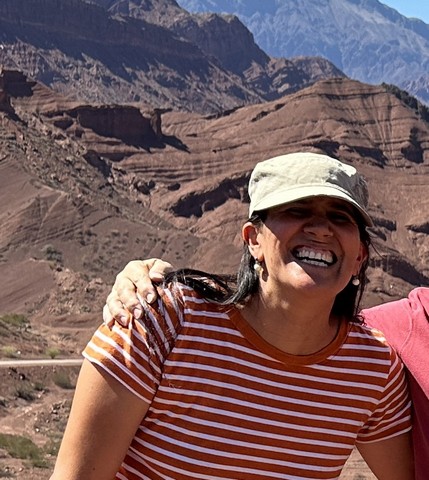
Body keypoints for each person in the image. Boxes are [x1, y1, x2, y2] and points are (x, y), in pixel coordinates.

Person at [51, 152, 414, 480]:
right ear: (253, 239)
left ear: (359, 257)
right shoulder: (163, 321)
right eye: (296, 211)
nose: (320, 228)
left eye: (339, 217)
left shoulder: (373, 369)